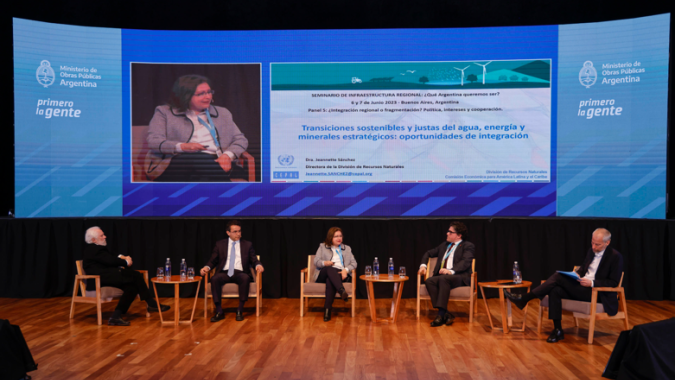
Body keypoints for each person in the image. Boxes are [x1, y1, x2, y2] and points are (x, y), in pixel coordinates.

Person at [504, 228, 622, 343]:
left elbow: (613, 282)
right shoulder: (591, 251)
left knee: (558, 277)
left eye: (597, 245)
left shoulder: (615, 257)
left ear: (607, 242)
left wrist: (591, 283)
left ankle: (524, 298)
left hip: (597, 293)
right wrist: (576, 274)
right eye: (592, 243)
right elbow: (584, 269)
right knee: (555, 290)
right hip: (582, 288)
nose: (593, 247)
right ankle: (557, 330)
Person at [145, 74, 248, 182]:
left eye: (209, 92)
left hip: (216, 161)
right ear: (185, 95)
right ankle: (228, 192)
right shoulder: (164, 112)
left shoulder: (223, 113)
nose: (208, 96)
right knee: (197, 158)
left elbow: (240, 139)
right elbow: (154, 141)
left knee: (202, 175)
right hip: (178, 163)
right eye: (201, 94)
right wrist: (183, 147)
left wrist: (227, 156)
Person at [82, 227, 169, 326]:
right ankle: (151, 303)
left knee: (132, 287)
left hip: (107, 276)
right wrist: (126, 262)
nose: (105, 236)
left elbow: (112, 256)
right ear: (94, 240)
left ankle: (115, 316)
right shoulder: (94, 249)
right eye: (102, 235)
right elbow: (111, 260)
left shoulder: (97, 249)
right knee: (135, 275)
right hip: (99, 279)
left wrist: (124, 257)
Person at [200, 220, 263, 322]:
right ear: (228, 232)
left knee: (245, 278)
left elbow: (254, 259)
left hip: (240, 272)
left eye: (239, 231)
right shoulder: (220, 244)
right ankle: (219, 311)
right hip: (224, 272)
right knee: (215, 278)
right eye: (235, 231)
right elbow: (213, 260)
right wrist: (206, 267)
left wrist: (259, 265)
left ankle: (239, 310)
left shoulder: (247, 245)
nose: (238, 234)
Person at [418, 221, 475, 327]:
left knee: (444, 279)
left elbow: (466, 261)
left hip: (459, 277)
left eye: (450, 232)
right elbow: (428, 253)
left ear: (458, 235)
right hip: (443, 277)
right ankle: (446, 313)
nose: (447, 233)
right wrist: (423, 266)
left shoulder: (467, 246)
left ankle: (440, 315)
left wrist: (451, 271)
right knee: (429, 280)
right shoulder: (444, 245)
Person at [313, 227, 357, 322]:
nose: (339, 238)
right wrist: (325, 263)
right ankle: (341, 291)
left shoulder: (347, 248)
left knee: (330, 280)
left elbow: (354, 264)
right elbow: (316, 261)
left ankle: (327, 311)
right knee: (330, 269)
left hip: (340, 275)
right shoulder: (322, 247)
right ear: (330, 238)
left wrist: (346, 270)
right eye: (336, 236)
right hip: (324, 273)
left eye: (340, 236)